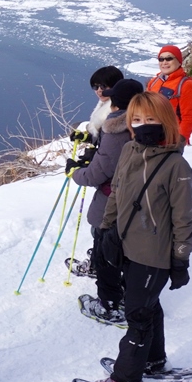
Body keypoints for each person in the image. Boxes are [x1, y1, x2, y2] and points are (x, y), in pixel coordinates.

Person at [91, 91, 192, 382]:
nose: (143, 125)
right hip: (126, 247)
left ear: (165, 121)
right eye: (136, 120)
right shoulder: (129, 151)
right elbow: (118, 194)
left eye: (151, 119)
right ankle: (152, 359)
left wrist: (180, 261)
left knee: (137, 314)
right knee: (149, 305)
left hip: (154, 256)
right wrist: (105, 231)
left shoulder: (177, 166)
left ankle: (126, 379)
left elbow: (183, 220)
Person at [66, 79, 144, 299]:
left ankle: (110, 302)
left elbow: (97, 174)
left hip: (114, 200)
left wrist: (75, 173)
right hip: (140, 198)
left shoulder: (117, 131)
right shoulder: (146, 123)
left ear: (116, 105)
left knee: (106, 245)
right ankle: (130, 291)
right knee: (126, 246)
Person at [146, 44, 192, 145]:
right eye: (161, 59)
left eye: (169, 58)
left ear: (179, 61)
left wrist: (180, 140)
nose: (164, 62)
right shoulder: (153, 82)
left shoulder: (186, 85)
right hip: (151, 137)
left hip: (171, 140)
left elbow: (189, 117)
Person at [83, 66, 125, 141]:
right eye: (95, 87)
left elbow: (113, 143)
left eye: (103, 86)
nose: (99, 90)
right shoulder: (105, 104)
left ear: (116, 86)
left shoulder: (118, 112)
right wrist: (86, 138)